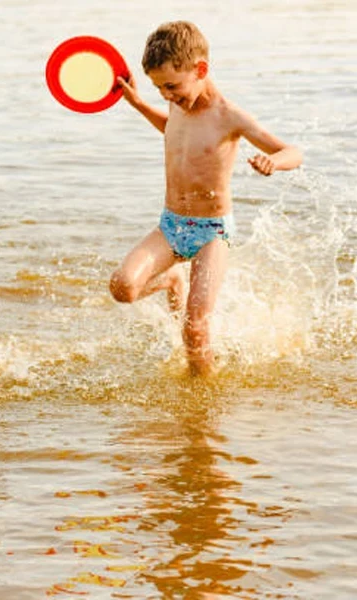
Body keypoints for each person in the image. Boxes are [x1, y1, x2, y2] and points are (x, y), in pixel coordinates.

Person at [109, 21, 302, 376]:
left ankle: (200, 411)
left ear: (200, 70)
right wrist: (138, 104)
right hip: (171, 225)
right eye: (158, 88)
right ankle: (171, 280)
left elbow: (293, 151)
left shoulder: (229, 117)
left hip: (212, 232)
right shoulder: (180, 106)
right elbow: (172, 129)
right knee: (122, 287)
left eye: (171, 86)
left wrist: (272, 161)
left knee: (195, 326)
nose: (166, 95)